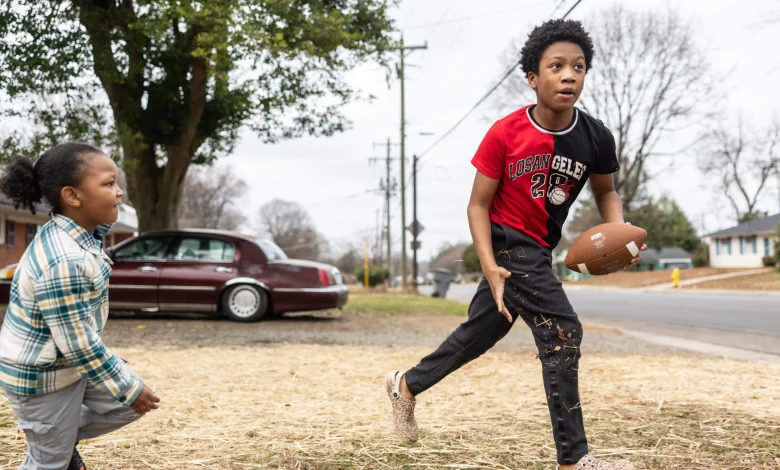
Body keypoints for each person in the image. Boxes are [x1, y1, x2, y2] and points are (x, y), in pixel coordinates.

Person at [385, 19, 644, 470]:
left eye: (578, 67)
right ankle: (574, 459)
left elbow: (605, 190)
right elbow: (477, 206)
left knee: (481, 334)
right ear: (532, 77)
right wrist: (488, 265)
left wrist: (615, 234)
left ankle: (405, 384)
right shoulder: (505, 133)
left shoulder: (595, 136)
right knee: (564, 332)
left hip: (539, 249)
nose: (569, 75)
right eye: (557, 66)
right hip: (506, 243)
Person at [0, 143, 160, 470]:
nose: (119, 193)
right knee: (49, 463)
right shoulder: (64, 261)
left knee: (128, 404)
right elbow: (78, 344)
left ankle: (57, 435)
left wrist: (128, 390)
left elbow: (98, 226)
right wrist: (129, 386)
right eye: (108, 184)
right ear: (73, 196)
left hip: (65, 367)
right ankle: (53, 444)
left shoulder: (75, 233)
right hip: (42, 378)